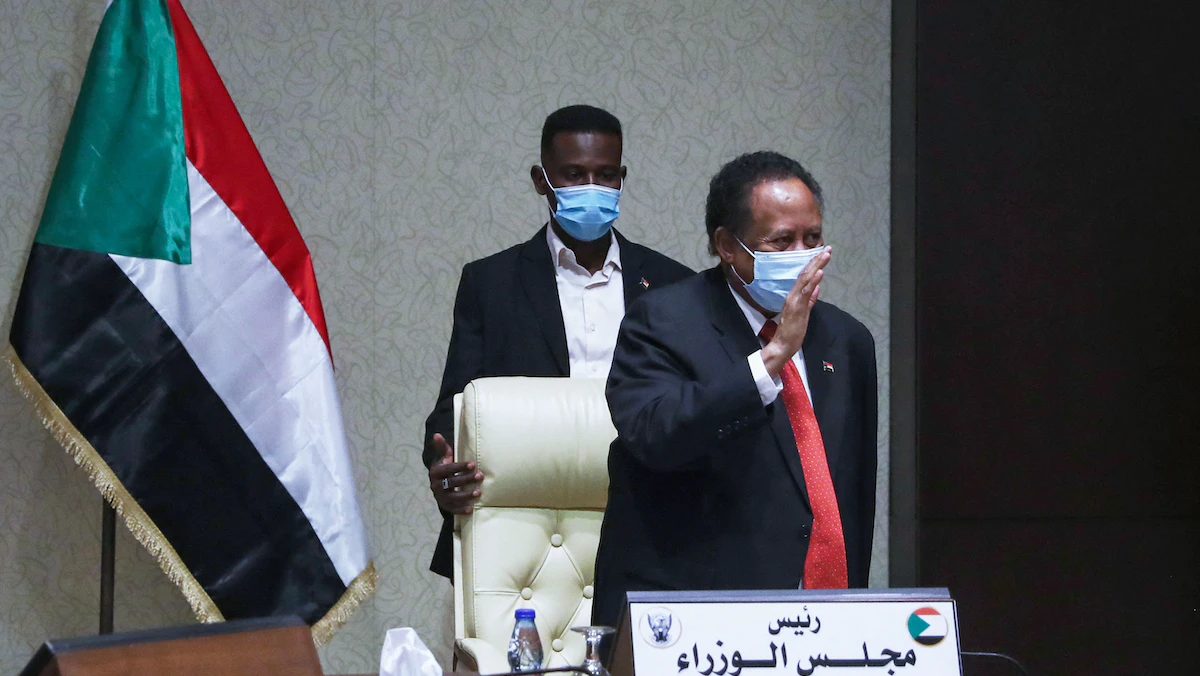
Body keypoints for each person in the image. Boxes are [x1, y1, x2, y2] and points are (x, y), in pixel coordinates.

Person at [592, 151, 878, 627]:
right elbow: (655, 435)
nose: (802, 255)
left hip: (824, 616)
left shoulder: (848, 340)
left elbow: (851, 490)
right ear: (727, 245)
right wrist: (772, 357)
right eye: (781, 241)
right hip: (695, 612)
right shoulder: (662, 321)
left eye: (812, 239)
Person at [422, 105, 694, 579]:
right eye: (573, 175)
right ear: (541, 180)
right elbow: (455, 405)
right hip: (523, 525)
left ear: (622, 179)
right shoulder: (491, 283)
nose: (592, 187)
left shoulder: (674, 285)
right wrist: (442, 462)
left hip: (649, 516)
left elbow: (693, 405)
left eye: (605, 175)